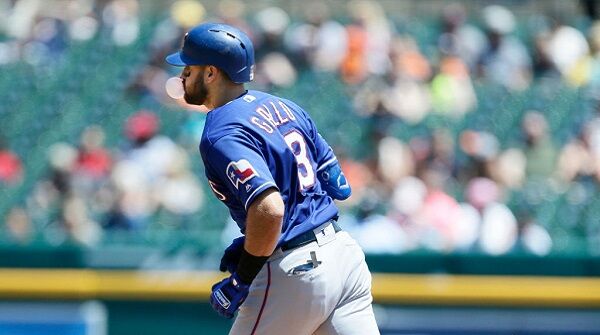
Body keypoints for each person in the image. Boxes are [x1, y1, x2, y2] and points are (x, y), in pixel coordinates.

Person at [165, 23, 380, 334]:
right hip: (344, 256)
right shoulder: (282, 105)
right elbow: (336, 180)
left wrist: (244, 274)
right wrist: (263, 234)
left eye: (189, 67)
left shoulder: (221, 131)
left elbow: (270, 208)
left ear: (210, 73)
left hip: (296, 268)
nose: (182, 74)